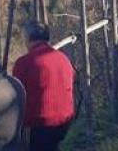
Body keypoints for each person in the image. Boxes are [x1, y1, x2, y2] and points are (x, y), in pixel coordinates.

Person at [13, 21, 75, 151]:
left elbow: (15, 97)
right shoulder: (63, 59)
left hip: (39, 125)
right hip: (64, 121)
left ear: (28, 38)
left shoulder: (24, 63)